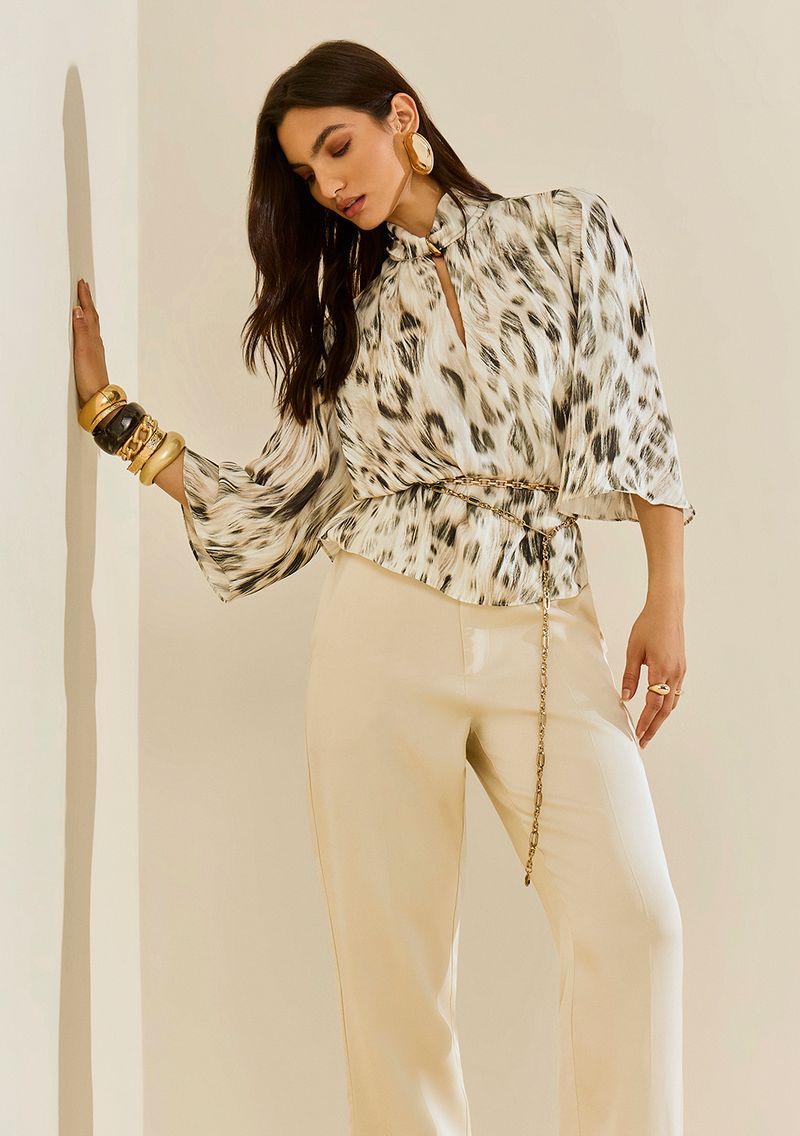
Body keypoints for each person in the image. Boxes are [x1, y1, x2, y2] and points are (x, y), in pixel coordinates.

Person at [72, 39, 695, 1136]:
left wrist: (664, 596)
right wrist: (114, 418)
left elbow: (633, 413)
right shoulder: (342, 314)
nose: (327, 184)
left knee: (635, 923)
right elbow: (274, 499)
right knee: (393, 985)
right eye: (305, 173)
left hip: (545, 617)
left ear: (401, 116)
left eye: (336, 147)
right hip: (382, 625)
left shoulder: (563, 231)